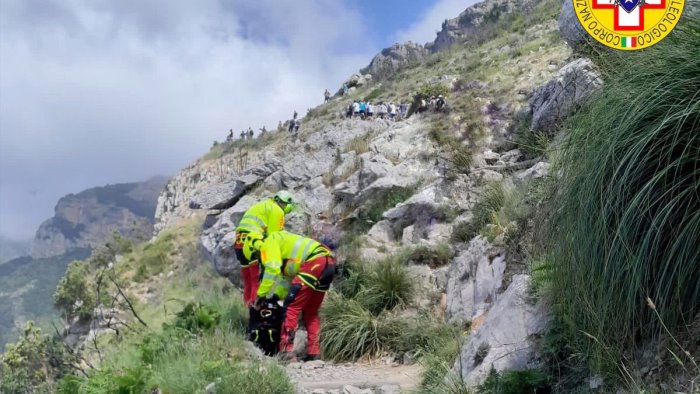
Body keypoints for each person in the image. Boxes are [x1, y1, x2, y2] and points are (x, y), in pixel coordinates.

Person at [249, 231, 336, 362]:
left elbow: (272, 270)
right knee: (311, 313)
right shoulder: (284, 248)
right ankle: (314, 353)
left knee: (290, 308)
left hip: (314, 262)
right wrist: (276, 296)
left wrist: (260, 296)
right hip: (329, 264)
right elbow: (286, 280)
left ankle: (286, 351)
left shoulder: (269, 242)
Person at [233, 191, 295, 306]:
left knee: (248, 282)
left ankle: (248, 308)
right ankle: (256, 310)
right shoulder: (277, 210)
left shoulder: (263, 205)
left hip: (239, 243)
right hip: (253, 245)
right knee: (256, 281)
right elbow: (274, 236)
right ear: (287, 204)